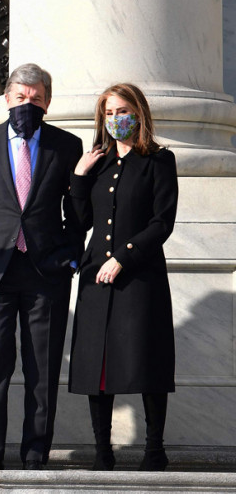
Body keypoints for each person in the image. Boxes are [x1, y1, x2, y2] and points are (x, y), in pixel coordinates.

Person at [0, 63, 84, 470]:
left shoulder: (67, 145)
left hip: (46, 271)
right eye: (21, 98)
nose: (28, 104)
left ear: (47, 102)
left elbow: (78, 210)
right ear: (6, 100)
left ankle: (34, 457)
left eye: (36, 99)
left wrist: (72, 255)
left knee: (41, 369)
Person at [68, 83, 178, 471]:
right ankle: (102, 451)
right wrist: (79, 177)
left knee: (146, 358)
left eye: (122, 111)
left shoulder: (159, 160)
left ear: (139, 113)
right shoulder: (97, 163)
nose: (116, 119)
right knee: (97, 362)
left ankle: (154, 450)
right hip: (95, 272)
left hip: (139, 274)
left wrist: (123, 259)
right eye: (109, 113)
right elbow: (79, 222)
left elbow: (162, 222)